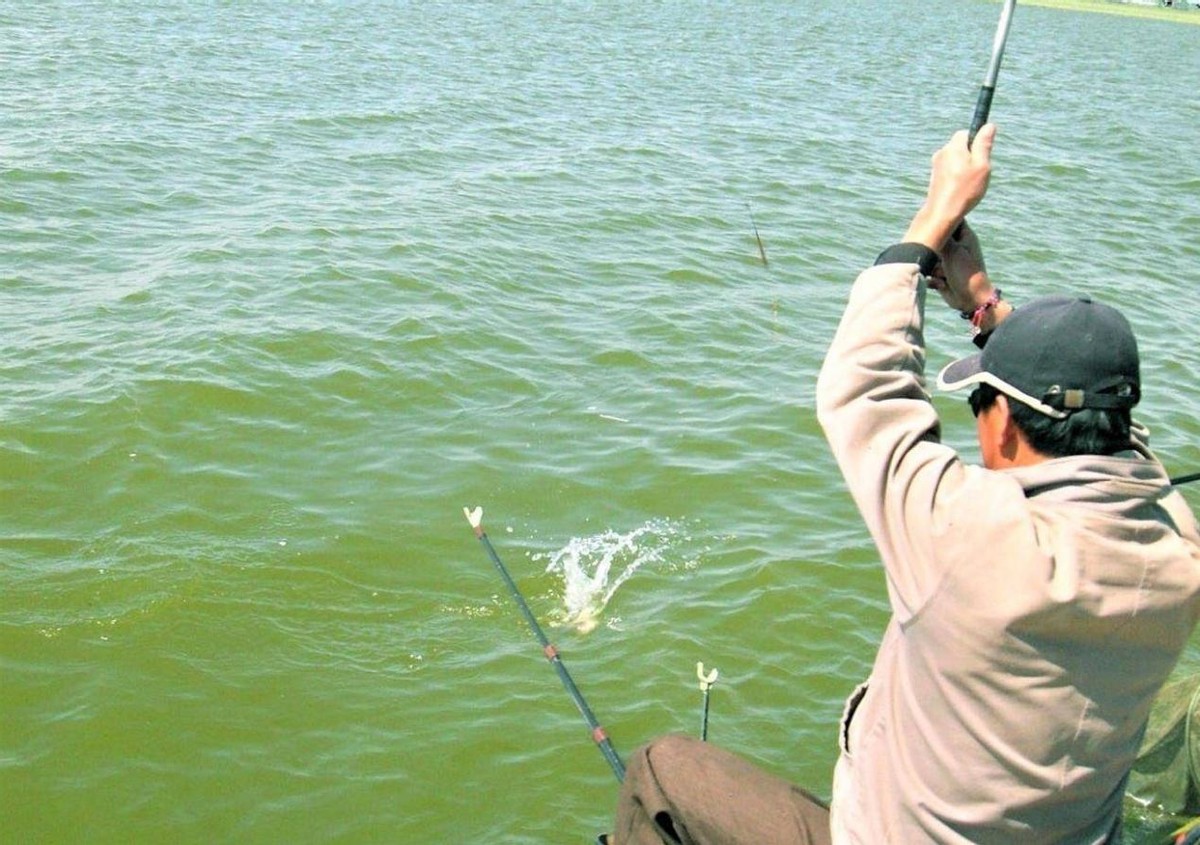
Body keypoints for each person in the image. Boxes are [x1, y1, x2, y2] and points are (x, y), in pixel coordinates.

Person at [604, 125, 1200, 844]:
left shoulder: (971, 538)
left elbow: (861, 390)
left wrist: (933, 218)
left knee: (662, 771)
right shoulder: (1175, 553)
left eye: (980, 403)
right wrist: (983, 306)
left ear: (1004, 426)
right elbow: (1119, 445)